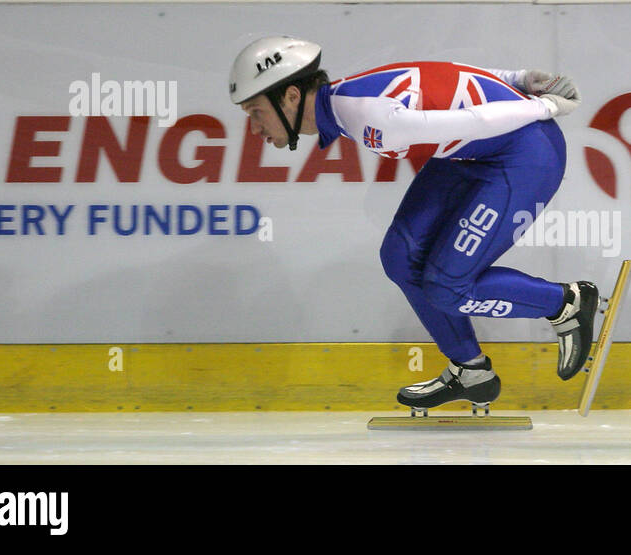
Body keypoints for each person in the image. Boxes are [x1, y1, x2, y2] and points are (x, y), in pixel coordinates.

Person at [229, 36, 597, 411]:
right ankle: (471, 371)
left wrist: (543, 107)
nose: (254, 129)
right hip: (475, 151)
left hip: (525, 153)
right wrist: (517, 78)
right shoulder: (346, 99)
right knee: (401, 256)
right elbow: (440, 73)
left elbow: (478, 118)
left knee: (448, 288)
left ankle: (565, 303)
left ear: (291, 96)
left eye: (255, 112)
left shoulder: (367, 117)